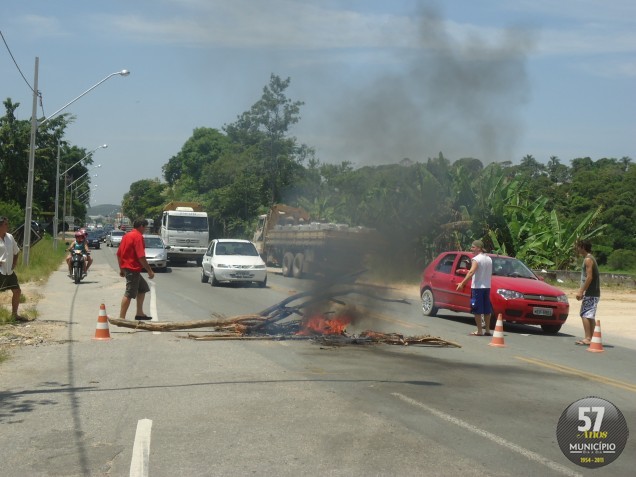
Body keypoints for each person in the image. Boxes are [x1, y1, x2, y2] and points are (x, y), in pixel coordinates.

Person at [117, 218, 154, 320]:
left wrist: (121, 268)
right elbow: (141, 256)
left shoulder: (126, 236)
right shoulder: (138, 237)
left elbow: (119, 254)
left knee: (143, 288)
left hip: (129, 268)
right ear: (141, 226)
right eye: (145, 227)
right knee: (129, 293)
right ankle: (121, 318)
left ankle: (139, 313)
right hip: (132, 268)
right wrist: (149, 270)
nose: (145, 229)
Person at [456, 239, 493, 336]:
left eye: (473, 247)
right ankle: (488, 330)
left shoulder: (476, 259)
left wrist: (462, 283)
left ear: (479, 248)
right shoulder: (489, 259)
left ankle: (480, 330)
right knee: (486, 310)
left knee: (476, 309)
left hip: (477, 287)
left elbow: (471, 272)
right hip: (487, 287)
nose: (471, 249)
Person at [0, 216, 26, 321]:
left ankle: (14, 315)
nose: (8, 226)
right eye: (6, 224)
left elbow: (17, 251)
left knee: (17, 291)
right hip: (0, 270)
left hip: (9, 271)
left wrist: (14, 262)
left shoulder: (10, 237)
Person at [575, 240, 601, 345]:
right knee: (589, 315)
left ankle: (588, 338)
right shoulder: (590, 258)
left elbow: (589, 277)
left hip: (591, 292)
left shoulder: (588, 260)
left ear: (583, 247)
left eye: (578, 247)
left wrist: (581, 291)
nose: (577, 249)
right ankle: (593, 338)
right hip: (593, 292)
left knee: (584, 314)